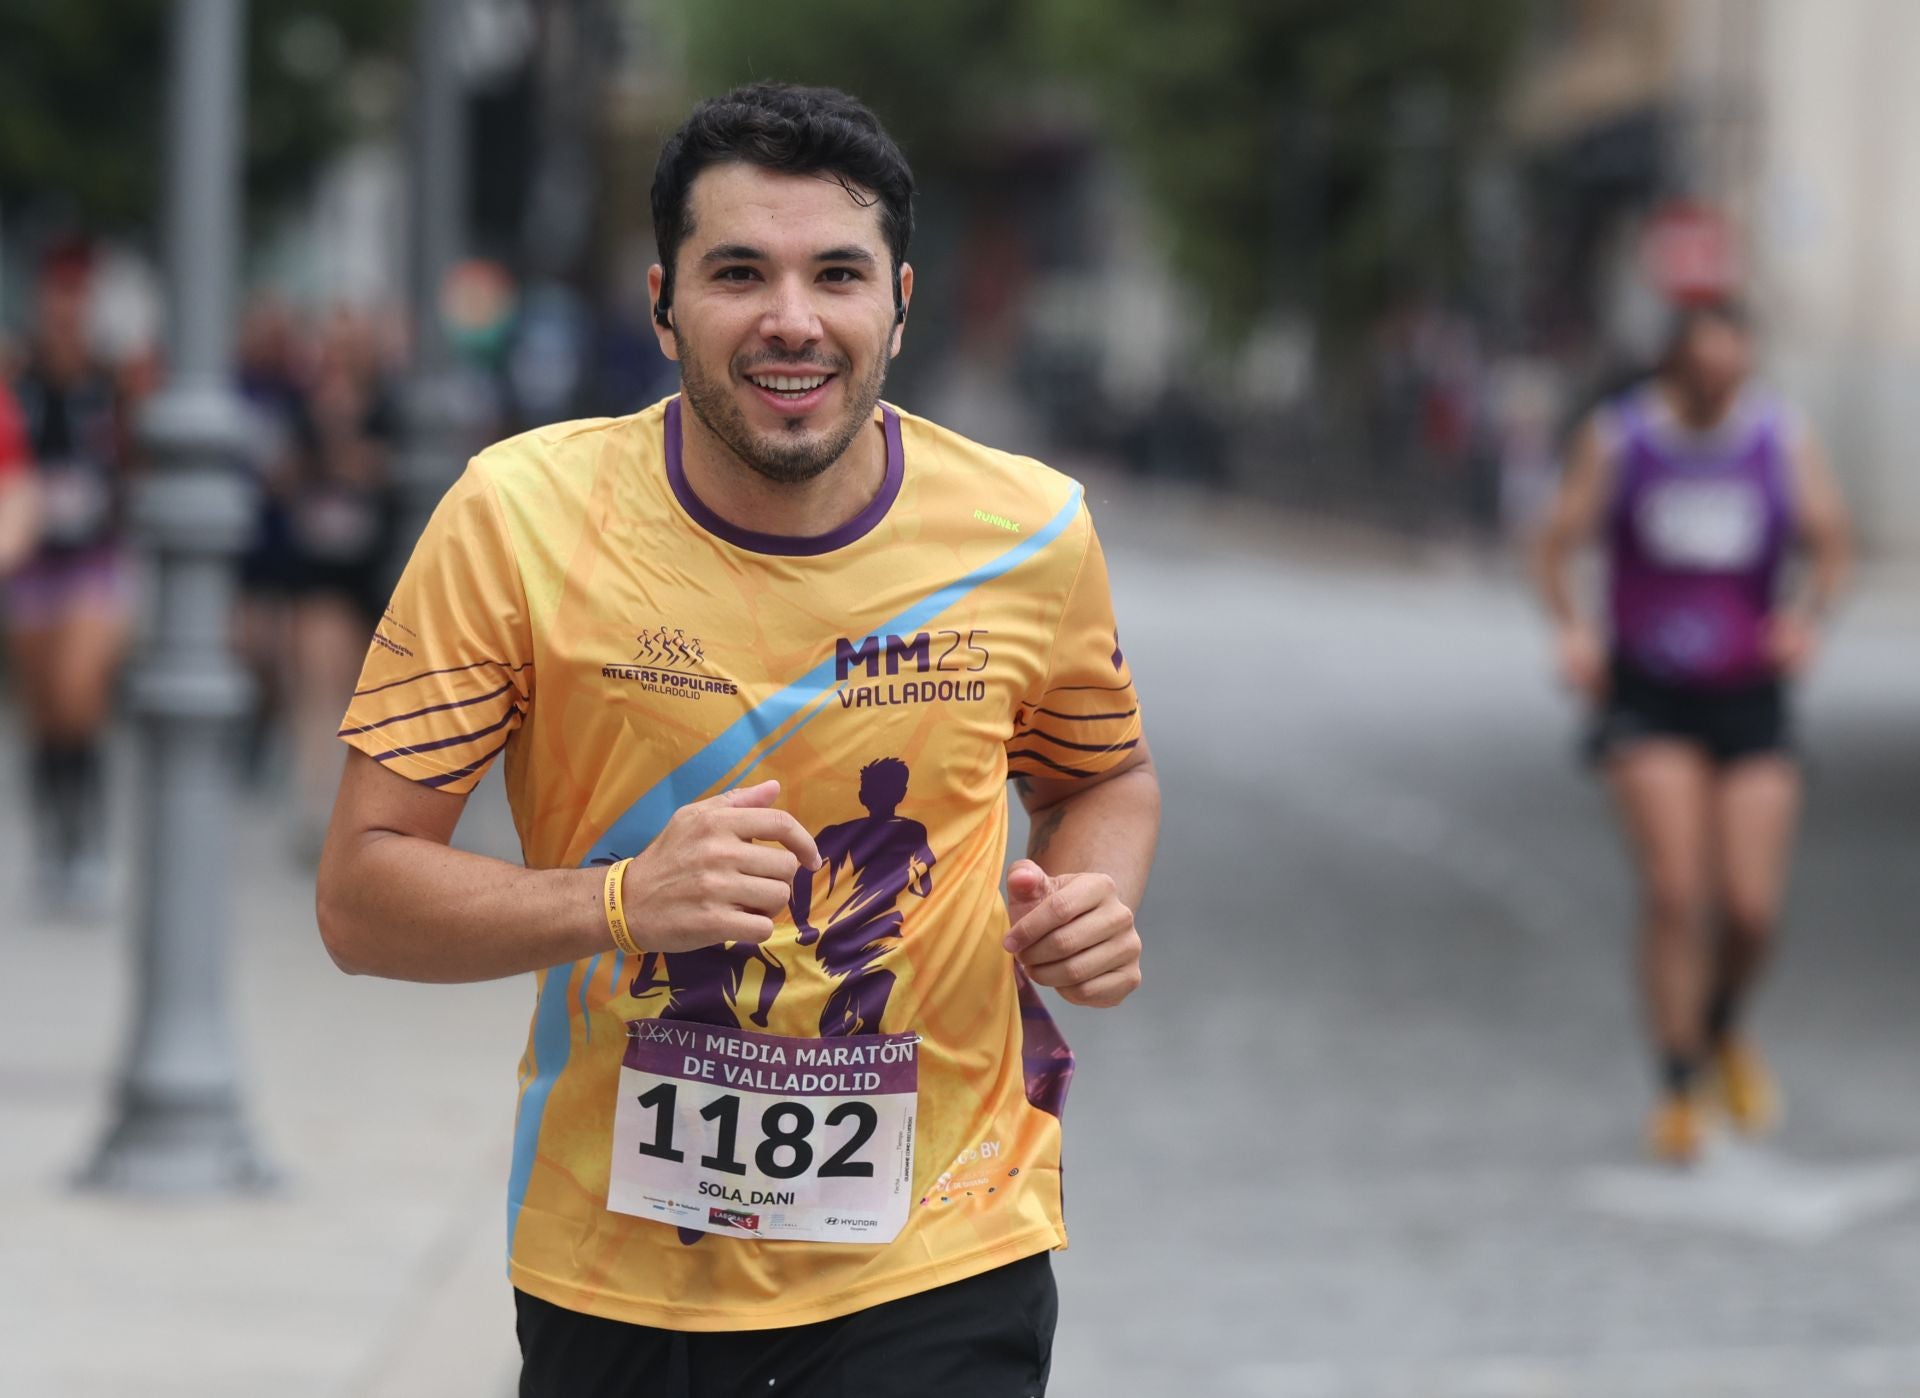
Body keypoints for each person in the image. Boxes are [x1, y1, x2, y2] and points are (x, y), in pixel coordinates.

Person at [315, 83, 1158, 1396]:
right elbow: (364, 897)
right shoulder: (517, 519)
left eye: (837, 273)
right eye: (737, 273)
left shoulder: (1031, 534)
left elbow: (1102, 775)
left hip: (944, 1246)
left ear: (899, 300)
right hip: (619, 1266)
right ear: (663, 303)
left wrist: (1095, 894)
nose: (791, 318)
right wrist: (620, 900)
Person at [1531, 299, 1851, 1165]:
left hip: (1750, 693)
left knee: (1750, 909)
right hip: (1649, 691)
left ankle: (1719, 1028)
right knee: (1678, 893)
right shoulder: (1623, 438)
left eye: (1733, 371)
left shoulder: (1781, 438)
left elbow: (1829, 540)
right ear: (1678, 366)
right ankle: (1677, 1087)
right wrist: (1573, 631)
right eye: (1705, 371)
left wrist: (1807, 616)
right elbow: (1556, 541)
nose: (1720, 386)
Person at [4, 246, 137, 915]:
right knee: (42, 709)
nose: (64, 313)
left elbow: (138, 462)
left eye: (75, 299)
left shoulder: (113, 382)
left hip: (94, 560)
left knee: (78, 693)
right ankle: (53, 844)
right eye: (55, 298)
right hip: (30, 561)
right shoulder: (17, 379)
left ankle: (87, 841)